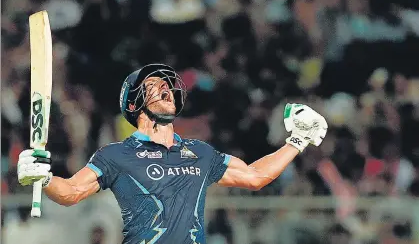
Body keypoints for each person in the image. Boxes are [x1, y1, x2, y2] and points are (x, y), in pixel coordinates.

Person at [17, 64, 328, 244]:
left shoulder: (200, 153)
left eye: (167, 85)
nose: (165, 88)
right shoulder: (115, 155)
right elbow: (71, 192)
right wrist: (44, 178)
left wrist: (297, 141)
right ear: (133, 104)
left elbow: (256, 176)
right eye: (154, 86)